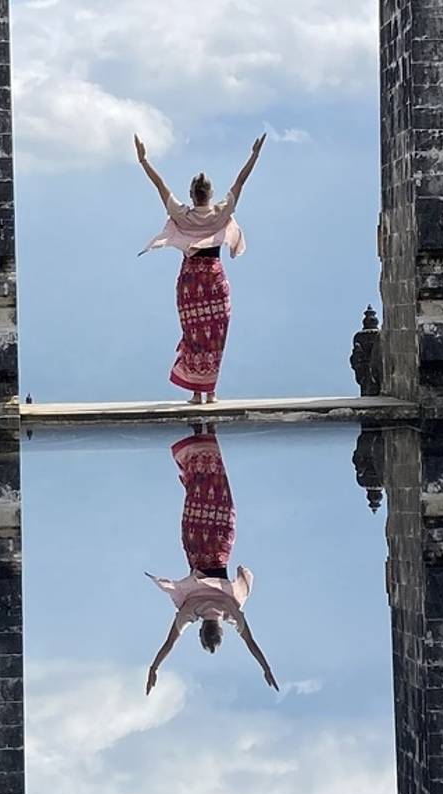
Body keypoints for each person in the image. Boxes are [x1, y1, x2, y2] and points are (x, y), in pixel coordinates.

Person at [144, 426, 278, 695]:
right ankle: (198, 441)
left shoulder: (232, 612)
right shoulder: (189, 612)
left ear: (221, 631)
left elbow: (251, 643)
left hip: (220, 542)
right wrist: (153, 668)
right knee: (196, 492)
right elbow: (169, 644)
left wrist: (266, 667)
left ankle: (209, 437)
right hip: (195, 543)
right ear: (200, 632)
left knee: (219, 493)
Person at [135, 134, 266, 404]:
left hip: (191, 281)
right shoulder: (221, 212)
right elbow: (241, 182)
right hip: (215, 279)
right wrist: (254, 155)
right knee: (215, 335)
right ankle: (212, 391)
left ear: (192, 194)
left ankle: (197, 392)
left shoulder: (182, 214)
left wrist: (143, 159)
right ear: (210, 194)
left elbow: (160, 185)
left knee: (193, 334)